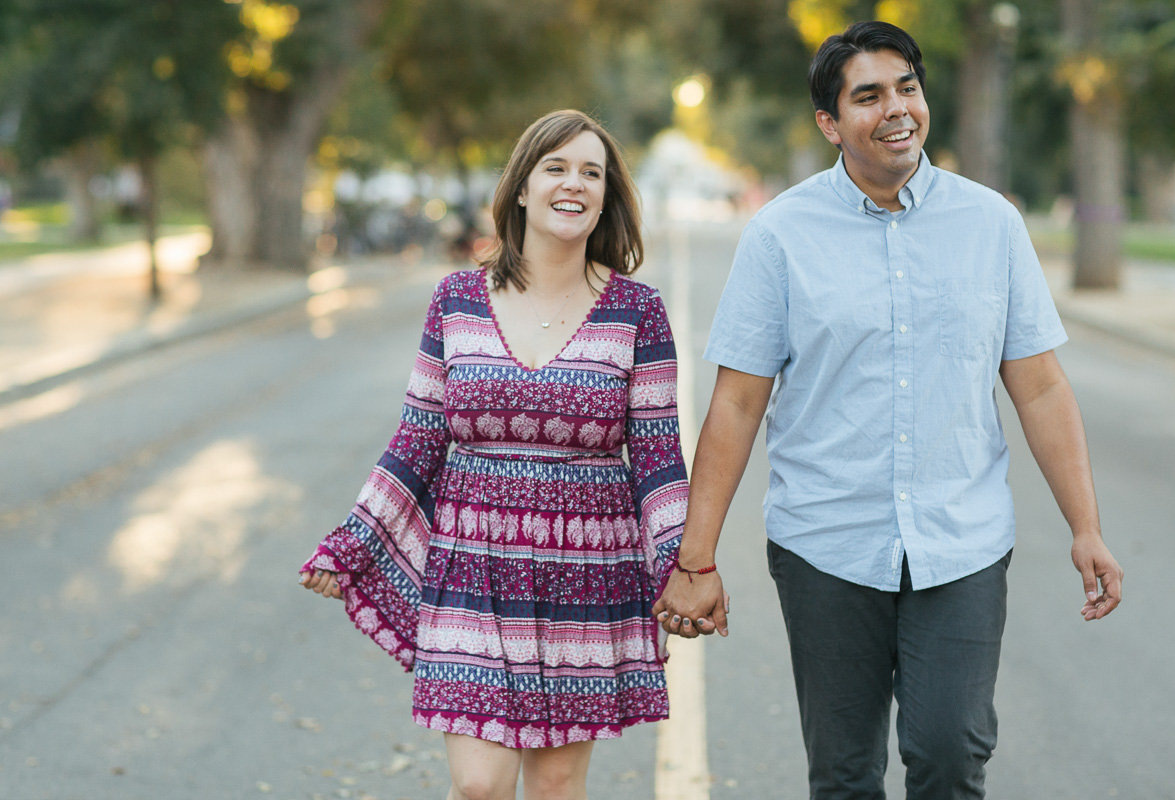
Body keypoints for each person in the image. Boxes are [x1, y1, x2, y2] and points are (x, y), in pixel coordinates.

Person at [652, 20, 1124, 800]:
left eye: (907, 87)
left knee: (948, 753)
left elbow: (1038, 386)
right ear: (830, 124)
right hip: (825, 544)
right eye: (868, 96)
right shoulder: (779, 237)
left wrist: (1086, 527)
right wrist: (695, 559)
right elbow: (736, 405)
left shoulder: (991, 225)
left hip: (962, 541)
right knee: (843, 775)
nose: (896, 108)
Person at [299, 109, 687, 800]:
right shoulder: (456, 299)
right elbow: (417, 438)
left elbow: (658, 461)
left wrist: (682, 564)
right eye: (557, 168)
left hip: (587, 572)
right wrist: (355, 537)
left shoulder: (638, 311)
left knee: (556, 785)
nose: (575, 185)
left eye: (592, 173)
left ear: (608, 194)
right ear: (522, 188)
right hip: (473, 563)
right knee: (479, 786)